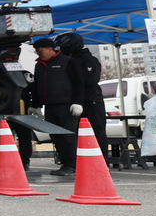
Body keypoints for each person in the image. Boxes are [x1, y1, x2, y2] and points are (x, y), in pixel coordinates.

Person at [29, 36, 84, 176]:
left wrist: (77, 102)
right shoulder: (39, 65)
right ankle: (65, 164)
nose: (39, 54)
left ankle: (73, 165)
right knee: (55, 136)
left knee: (68, 136)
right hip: (50, 106)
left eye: (40, 51)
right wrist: (35, 105)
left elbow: (78, 83)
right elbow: (37, 86)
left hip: (66, 105)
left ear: (50, 50)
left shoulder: (68, 62)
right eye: (37, 51)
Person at [61, 33, 109, 159]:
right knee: (79, 133)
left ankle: (101, 161)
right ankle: (83, 161)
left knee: (96, 132)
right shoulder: (69, 60)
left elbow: (89, 80)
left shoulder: (88, 60)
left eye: (66, 46)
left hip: (91, 100)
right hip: (76, 101)